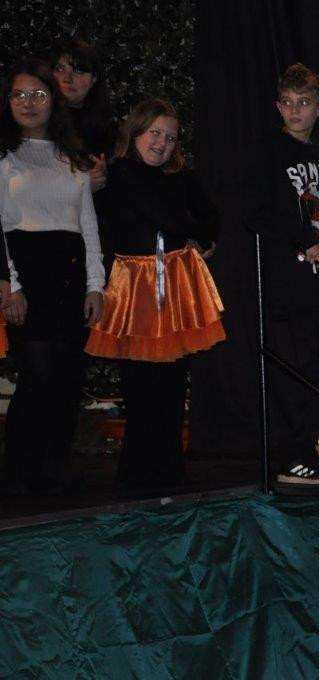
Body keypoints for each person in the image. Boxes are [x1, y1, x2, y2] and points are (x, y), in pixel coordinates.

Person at [85, 99, 222, 490]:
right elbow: (164, 216)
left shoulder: (181, 176)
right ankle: (137, 473)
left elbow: (211, 216)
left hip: (174, 285)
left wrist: (202, 236)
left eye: (171, 137)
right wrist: (192, 231)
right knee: (141, 383)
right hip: (136, 287)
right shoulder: (122, 173)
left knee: (173, 382)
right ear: (136, 132)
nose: (162, 143)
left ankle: (169, 469)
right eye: (155, 133)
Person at [243, 63, 319, 487]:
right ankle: (292, 455)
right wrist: (303, 241)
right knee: (295, 370)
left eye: (303, 102)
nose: (294, 110)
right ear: (277, 106)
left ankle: (307, 451)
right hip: (286, 280)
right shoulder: (268, 150)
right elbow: (256, 212)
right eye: (287, 102)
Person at [0, 58, 104, 494]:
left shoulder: (73, 158)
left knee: (65, 376)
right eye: (19, 94)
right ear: (8, 102)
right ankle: (18, 468)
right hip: (25, 275)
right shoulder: (3, 157)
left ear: (53, 101)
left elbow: (88, 225)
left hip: (70, 275)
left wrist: (95, 285)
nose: (29, 103)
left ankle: (54, 464)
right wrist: (10, 285)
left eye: (39, 94)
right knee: (37, 373)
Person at [50, 37, 117, 193]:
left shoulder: (106, 128)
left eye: (78, 71)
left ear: (93, 79)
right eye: (60, 69)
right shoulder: (36, 121)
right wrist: (80, 184)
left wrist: (103, 175)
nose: (67, 79)